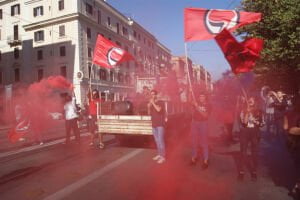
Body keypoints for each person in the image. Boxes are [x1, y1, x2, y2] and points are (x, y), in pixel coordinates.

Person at [238, 96, 263, 181]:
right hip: (245, 132)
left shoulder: (259, 111)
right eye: (249, 100)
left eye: (252, 100)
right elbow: (244, 123)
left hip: (255, 133)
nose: (250, 101)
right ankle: (241, 172)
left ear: (255, 102)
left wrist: (255, 121)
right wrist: (247, 113)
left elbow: (262, 124)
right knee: (243, 152)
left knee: (254, 153)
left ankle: (254, 172)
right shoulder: (243, 111)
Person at [283, 97, 300, 198]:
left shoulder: (289, 113)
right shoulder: (290, 114)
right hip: (295, 144)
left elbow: (286, 128)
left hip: (292, 144)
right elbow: (289, 129)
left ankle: (296, 186)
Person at [190, 93, 211, 169]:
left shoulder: (208, 105)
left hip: (203, 124)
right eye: (200, 96)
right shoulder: (196, 103)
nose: (201, 98)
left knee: (204, 142)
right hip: (194, 123)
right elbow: (190, 101)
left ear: (205, 98)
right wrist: (189, 92)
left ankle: (206, 160)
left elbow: (205, 115)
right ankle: (194, 158)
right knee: (194, 141)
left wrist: (197, 107)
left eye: (203, 96)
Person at [148, 89, 166, 164]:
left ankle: (163, 157)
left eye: (153, 94)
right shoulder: (152, 104)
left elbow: (159, 110)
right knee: (157, 141)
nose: (152, 95)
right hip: (154, 124)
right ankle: (159, 154)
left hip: (160, 125)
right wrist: (149, 106)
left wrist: (153, 103)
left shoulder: (161, 102)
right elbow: (149, 114)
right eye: (151, 94)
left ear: (156, 95)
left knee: (161, 141)